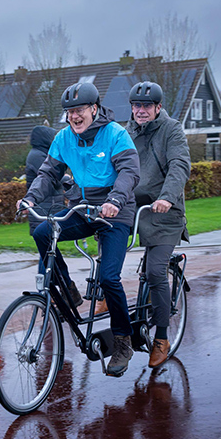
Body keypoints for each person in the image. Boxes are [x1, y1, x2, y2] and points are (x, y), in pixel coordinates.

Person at [21, 83, 140, 377]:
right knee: (42, 233)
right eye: (70, 112)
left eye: (79, 110)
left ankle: (123, 342)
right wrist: (31, 197)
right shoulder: (64, 138)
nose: (74, 117)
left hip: (115, 211)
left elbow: (129, 171)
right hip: (82, 207)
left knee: (109, 277)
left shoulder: (115, 133)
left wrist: (115, 199)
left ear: (94, 109)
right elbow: (48, 172)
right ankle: (70, 292)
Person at [125, 81, 191, 368]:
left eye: (146, 106)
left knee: (154, 272)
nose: (141, 111)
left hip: (164, 210)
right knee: (106, 237)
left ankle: (161, 338)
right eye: (137, 106)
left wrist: (167, 197)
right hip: (133, 206)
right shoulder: (125, 132)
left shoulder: (172, 129)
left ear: (158, 107)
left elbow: (180, 165)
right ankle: (102, 294)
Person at [25, 125, 65, 235]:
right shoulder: (37, 156)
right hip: (43, 206)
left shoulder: (44, 153)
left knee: (52, 241)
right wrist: (69, 179)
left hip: (49, 205)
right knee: (46, 241)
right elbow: (50, 177)